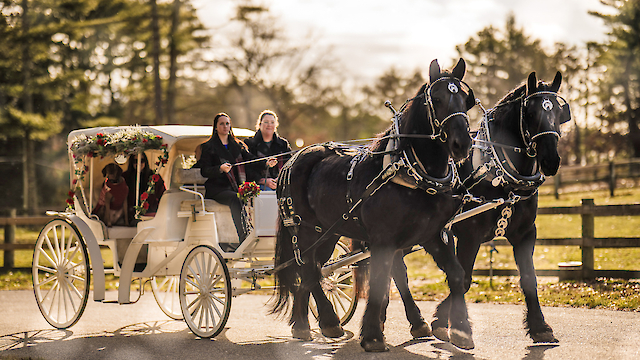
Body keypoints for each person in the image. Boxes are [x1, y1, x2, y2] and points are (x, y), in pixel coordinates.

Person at [199, 112, 276, 243]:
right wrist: (220, 169)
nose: (225, 126)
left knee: (256, 196)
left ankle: (264, 234)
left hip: (234, 187)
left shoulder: (237, 145)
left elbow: (251, 159)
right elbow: (204, 171)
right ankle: (244, 236)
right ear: (216, 127)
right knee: (236, 197)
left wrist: (265, 162)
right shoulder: (208, 147)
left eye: (227, 124)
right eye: (221, 124)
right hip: (217, 188)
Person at [244, 110, 292, 190]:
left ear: (276, 125)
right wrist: (263, 180)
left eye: (272, 122)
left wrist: (280, 179)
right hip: (258, 184)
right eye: (266, 122)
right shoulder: (249, 143)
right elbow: (246, 168)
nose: (269, 125)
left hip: (280, 183)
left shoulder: (283, 144)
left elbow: (290, 164)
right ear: (260, 124)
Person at [123, 153, 166, 223]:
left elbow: (162, 194)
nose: (139, 164)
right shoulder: (125, 177)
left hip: (150, 213)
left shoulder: (154, 176)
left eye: (141, 161)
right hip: (129, 214)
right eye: (135, 161)